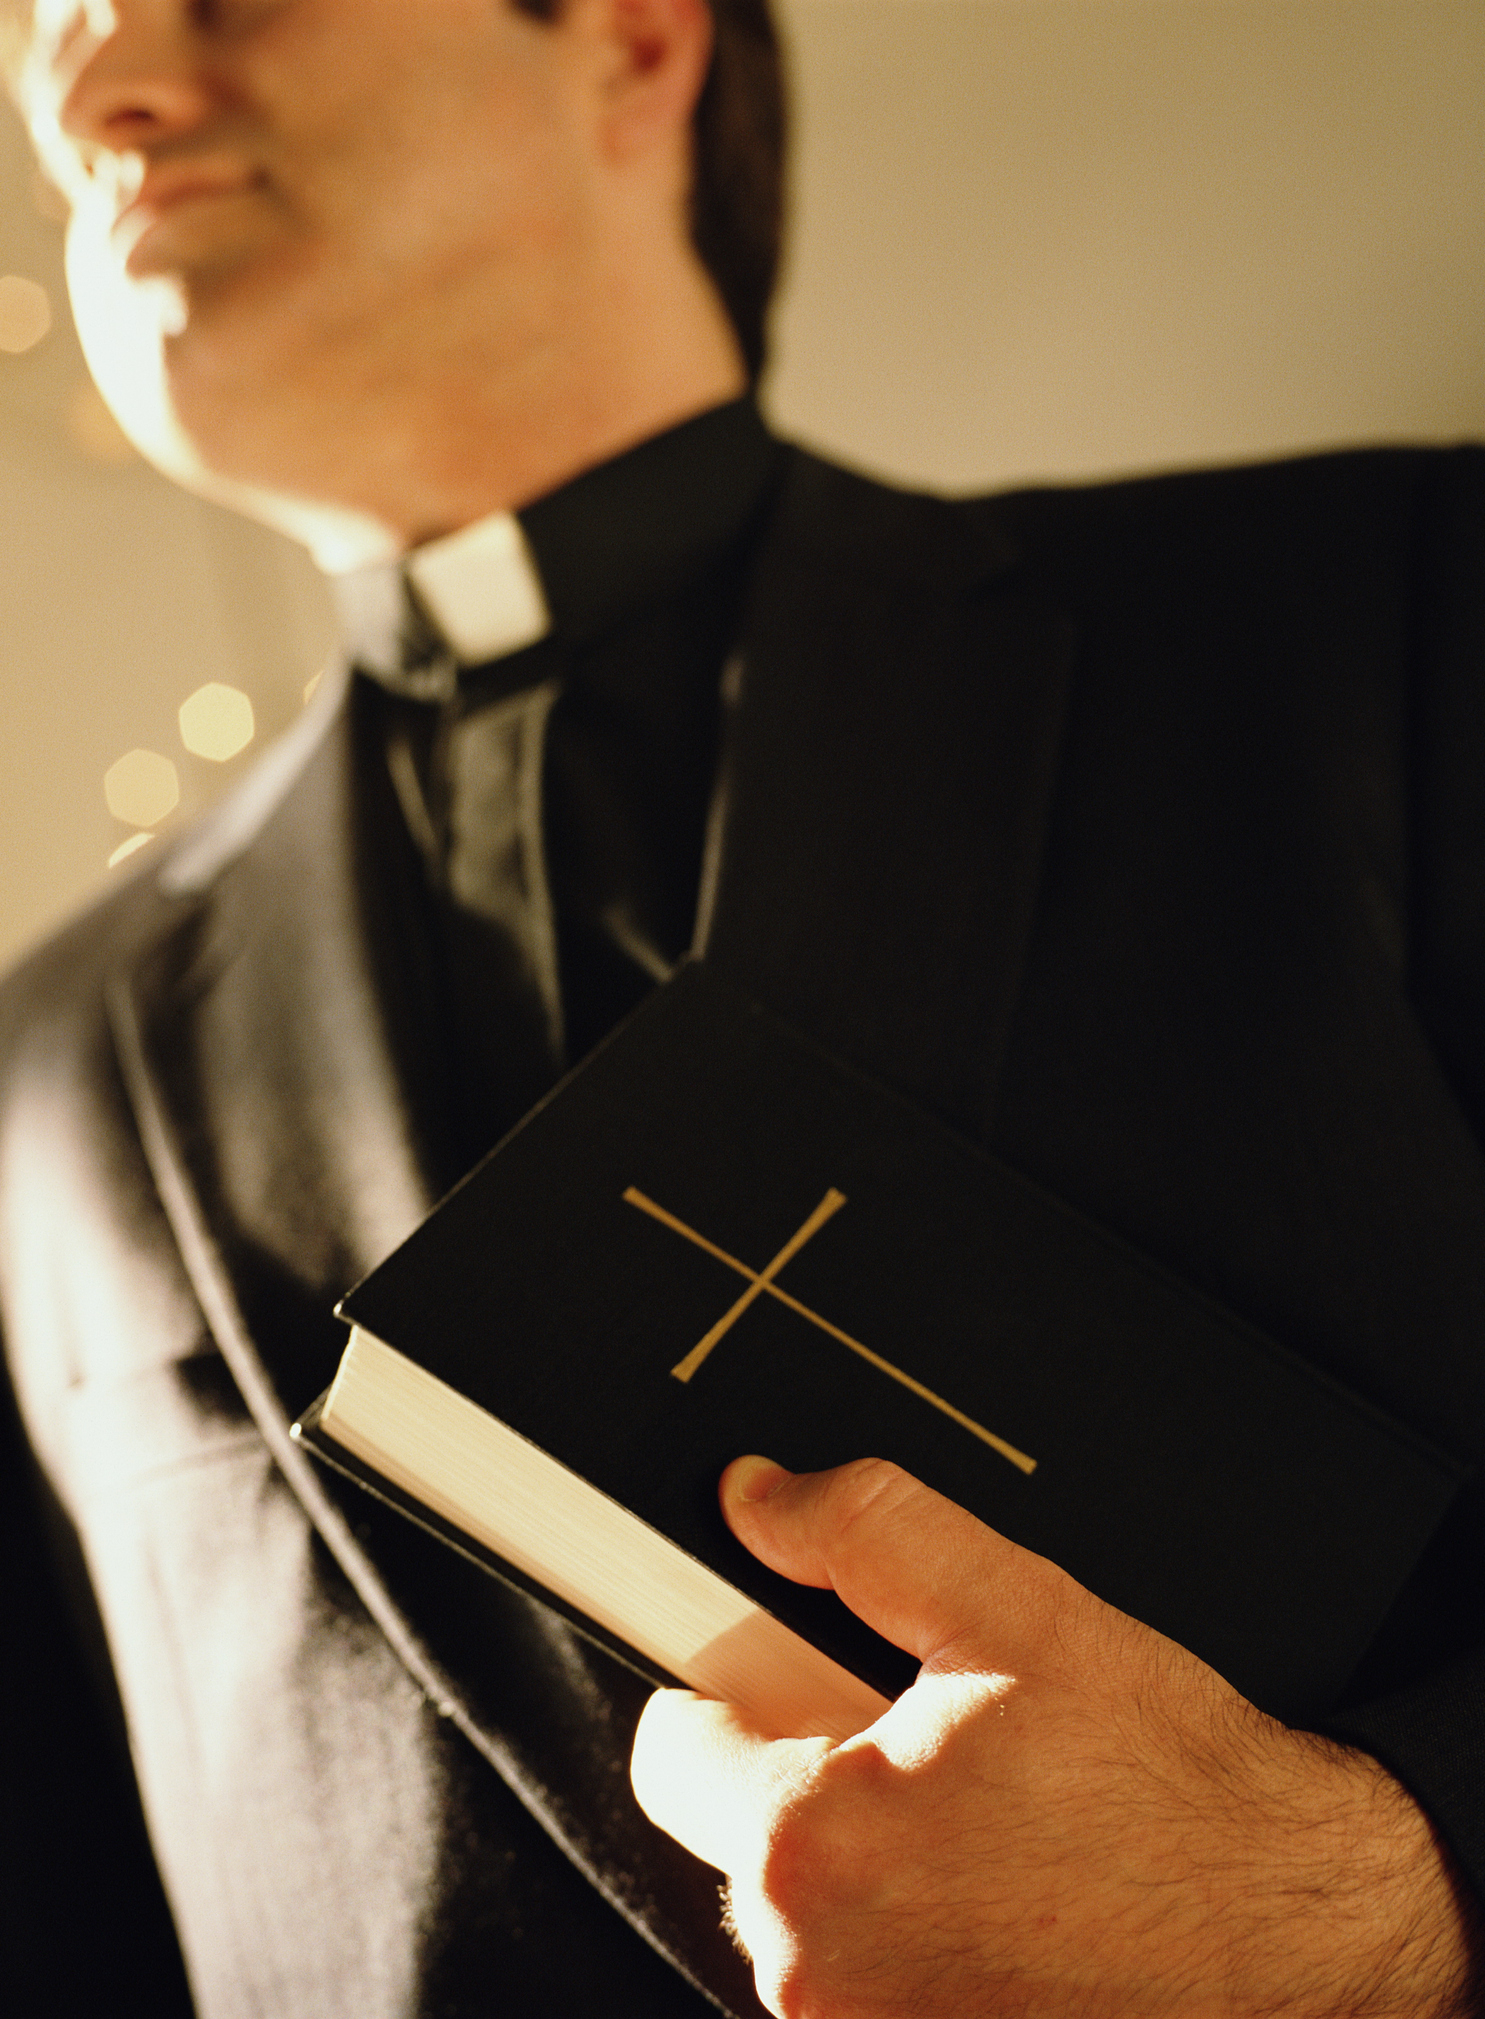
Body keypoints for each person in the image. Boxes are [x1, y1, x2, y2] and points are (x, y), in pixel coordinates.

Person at [3, 2, 1483, 2015]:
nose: (90, 84)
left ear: (629, 41)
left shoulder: (1384, 615)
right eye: (48, 17)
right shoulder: (46, 1066)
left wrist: (1387, 1887)